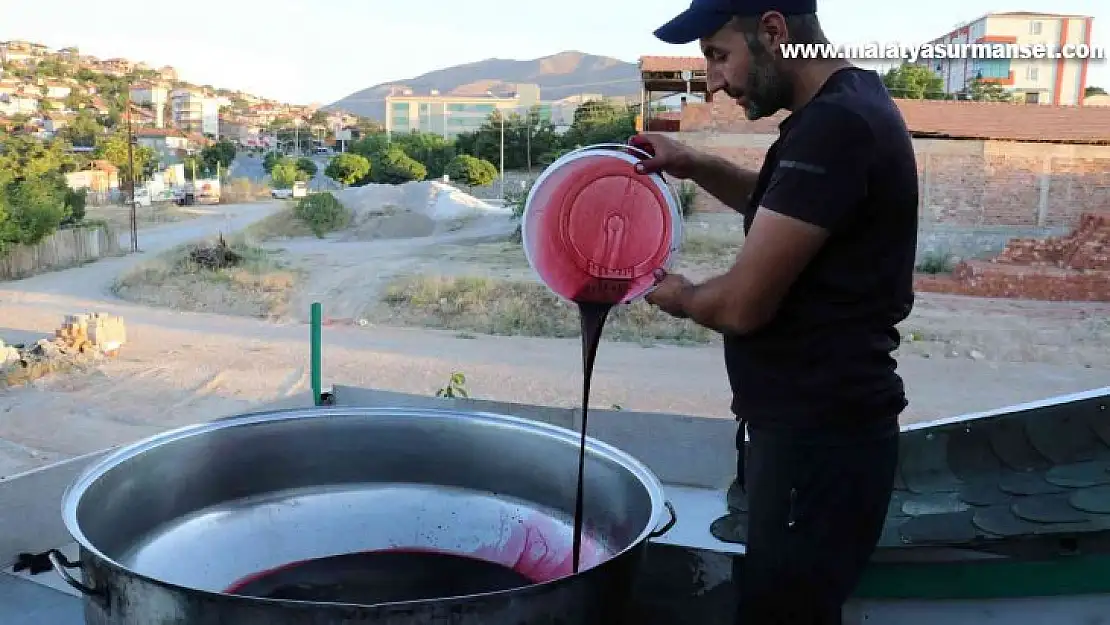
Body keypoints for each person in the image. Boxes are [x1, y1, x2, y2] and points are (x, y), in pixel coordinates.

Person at [634, 1, 918, 623]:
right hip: (816, 440)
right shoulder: (844, 108)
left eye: (717, 54)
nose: (713, 80)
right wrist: (694, 163)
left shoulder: (836, 126)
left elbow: (741, 305)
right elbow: (784, 212)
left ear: (773, 31)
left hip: (817, 446)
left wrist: (668, 291)